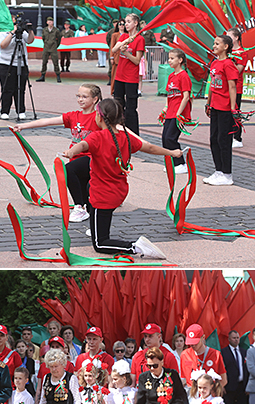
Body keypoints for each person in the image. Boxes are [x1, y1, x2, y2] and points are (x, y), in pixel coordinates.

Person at [67, 98, 178, 259]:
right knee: (89, 192)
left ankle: (135, 247)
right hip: (117, 190)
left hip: (103, 194)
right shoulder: (125, 137)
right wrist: (172, 152)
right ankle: (96, 226)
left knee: (100, 244)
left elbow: (83, 145)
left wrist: (72, 152)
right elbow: (150, 148)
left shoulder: (97, 137)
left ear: (99, 117)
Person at [27, 82, 102, 223]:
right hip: (76, 158)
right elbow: (47, 121)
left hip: (92, 158)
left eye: (84, 96)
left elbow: (117, 129)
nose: (80, 99)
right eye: (78, 96)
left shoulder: (98, 117)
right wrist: (23, 126)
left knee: (67, 170)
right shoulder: (74, 116)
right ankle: (85, 207)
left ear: (95, 99)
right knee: (85, 188)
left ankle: (79, 207)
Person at [203, 35, 239, 188]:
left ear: (226, 47)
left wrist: (233, 107)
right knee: (214, 139)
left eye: (217, 43)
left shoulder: (228, 64)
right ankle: (218, 171)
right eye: (214, 43)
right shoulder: (215, 63)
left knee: (224, 140)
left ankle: (227, 174)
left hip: (225, 108)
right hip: (215, 106)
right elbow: (212, 84)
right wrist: (208, 102)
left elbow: (232, 87)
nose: (214, 45)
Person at [110, 13, 145, 133]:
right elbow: (114, 49)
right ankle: (119, 131)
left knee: (131, 108)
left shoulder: (140, 39)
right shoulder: (123, 36)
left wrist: (126, 53)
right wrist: (125, 41)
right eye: (125, 22)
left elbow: (136, 61)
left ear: (135, 23)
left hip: (131, 78)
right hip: (119, 76)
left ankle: (133, 134)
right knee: (118, 105)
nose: (126, 24)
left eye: (129, 21)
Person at [160, 47, 192, 177]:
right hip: (170, 112)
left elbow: (186, 96)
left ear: (180, 60)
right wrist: (165, 108)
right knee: (164, 138)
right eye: (169, 58)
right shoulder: (171, 76)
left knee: (171, 137)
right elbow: (169, 95)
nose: (169, 61)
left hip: (178, 113)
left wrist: (179, 113)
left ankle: (180, 163)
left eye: (172, 58)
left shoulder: (184, 76)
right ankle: (172, 162)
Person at [0, 19, 33, 119]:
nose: (15, 25)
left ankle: (21, 110)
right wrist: (12, 33)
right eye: (13, 24)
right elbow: (3, 45)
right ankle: (5, 111)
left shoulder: (22, 33)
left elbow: (30, 40)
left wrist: (30, 30)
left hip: (21, 64)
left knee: (20, 88)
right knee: (7, 89)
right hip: (6, 64)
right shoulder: (2, 33)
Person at [222, 330, 248, 404]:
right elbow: (221, 369)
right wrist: (222, 385)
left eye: (237, 337)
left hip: (242, 386)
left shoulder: (244, 352)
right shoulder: (223, 352)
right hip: (228, 387)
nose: (236, 339)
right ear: (229, 339)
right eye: (234, 338)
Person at [37, 19, 62, 83]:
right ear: (47, 22)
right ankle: (42, 76)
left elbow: (59, 39)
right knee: (44, 62)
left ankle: (58, 76)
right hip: (46, 48)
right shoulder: (44, 30)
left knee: (55, 62)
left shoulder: (56, 30)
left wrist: (56, 45)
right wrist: (46, 43)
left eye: (51, 21)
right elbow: (43, 38)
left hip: (53, 48)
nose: (50, 22)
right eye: (49, 21)